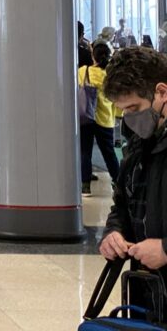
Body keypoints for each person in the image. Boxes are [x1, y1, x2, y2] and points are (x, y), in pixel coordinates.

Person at [100, 47, 167, 315]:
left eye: (134, 108)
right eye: (123, 111)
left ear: (162, 92)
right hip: (148, 296)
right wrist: (113, 233)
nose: (129, 118)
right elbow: (122, 205)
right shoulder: (138, 147)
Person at [79, 41, 121, 197]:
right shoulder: (110, 76)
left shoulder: (84, 71)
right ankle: (118, 183)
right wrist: (118, 114)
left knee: (85, 151)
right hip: (105, 119)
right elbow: (116, 97)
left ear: (93, 56)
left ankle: (85, 186)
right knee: (109, 153)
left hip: (86, 118)